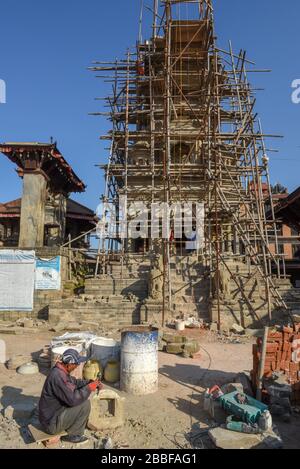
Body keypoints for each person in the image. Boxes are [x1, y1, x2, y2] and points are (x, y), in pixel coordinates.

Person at [39, 348, 103, 445]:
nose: (77, 367)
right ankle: (73, 435)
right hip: (51, 424)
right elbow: (73, 399)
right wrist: (89, 388)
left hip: (53, 415)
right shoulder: (57, 376)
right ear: (69, 364)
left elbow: (74, 382)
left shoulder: (60, 370)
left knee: (81, 399)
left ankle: (70, 426)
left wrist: (89, 382)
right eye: (76, 364)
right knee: (84, 404)